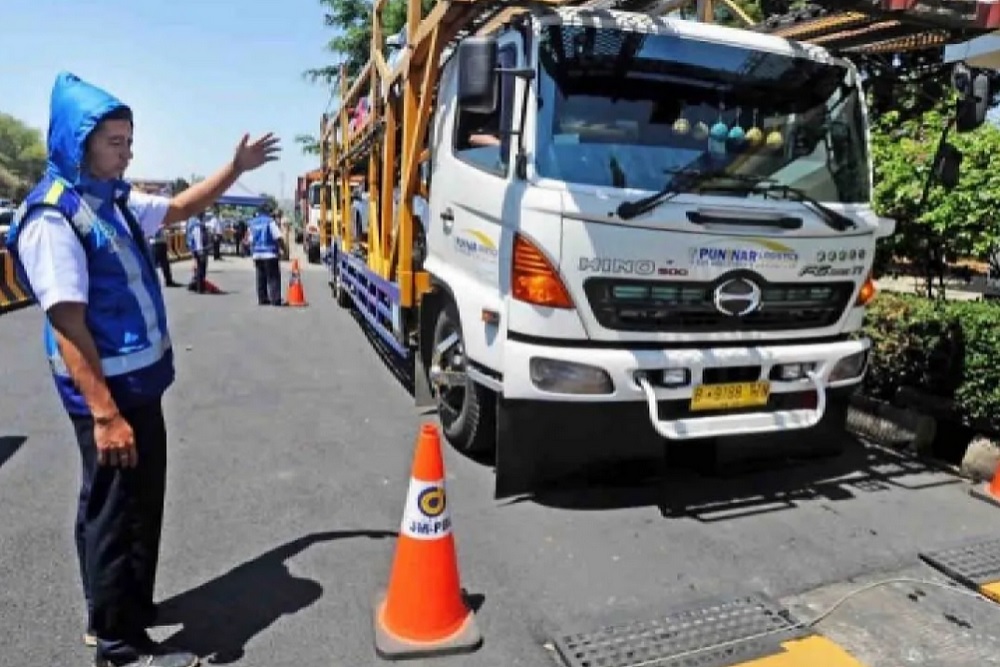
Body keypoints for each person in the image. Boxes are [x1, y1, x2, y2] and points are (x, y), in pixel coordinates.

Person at [4, 71, 279, 667]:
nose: (128, 153)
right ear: (78, 145)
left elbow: (181, 207)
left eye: (130, 141)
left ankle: (117, 608)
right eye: (115, 143)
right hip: (111, 397)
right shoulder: (56, 218)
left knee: (123, 506)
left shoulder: (113, 199)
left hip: (137, 386)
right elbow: (69, 325)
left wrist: (234, 170)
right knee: (118, 512)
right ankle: (121, 648)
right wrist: (104, 415)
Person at [248, 203, 286, 306]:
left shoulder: (253, 223)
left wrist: (252, 253)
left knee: (261, 277)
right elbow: (278, 236)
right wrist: (283, 249)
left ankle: (262, 299)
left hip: (257, 254)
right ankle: (275, 299)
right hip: (270, 254)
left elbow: (250, 240)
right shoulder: (270, 222)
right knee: (273, 277)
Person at [186, 212, 209, 293]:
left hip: (196, 249)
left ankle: (196, 285)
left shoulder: (192, 222)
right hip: (199, 249)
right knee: (201, 268)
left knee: (198, 267)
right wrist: (200, 250)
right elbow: (197, 237)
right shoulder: (197, 224)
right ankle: (200, 287)